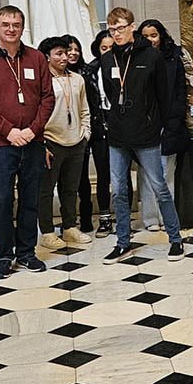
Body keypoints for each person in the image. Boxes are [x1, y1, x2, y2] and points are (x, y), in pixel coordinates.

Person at [0, 5, 55, 279]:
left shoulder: (36, 58)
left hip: (33, 141)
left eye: (16, 24)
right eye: (6, 24)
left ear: (22, 27)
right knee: (1, 199)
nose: (11, 29)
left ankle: (27, 253)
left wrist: (33, 131)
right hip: (0, 143)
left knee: (30, 198)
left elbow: (48, 98)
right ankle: (4, 255)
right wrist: (9, 131)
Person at [100, 7, 185, 264]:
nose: (117, 33)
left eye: (121, 28)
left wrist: (155, 125)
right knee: (119, 191)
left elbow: (163, 95)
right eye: (112, 29)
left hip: (147, 134)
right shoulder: (107, 59)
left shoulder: (151, 55)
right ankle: (123, 242)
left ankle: (175, 239)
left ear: (132, 27)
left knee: (159, 187)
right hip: (118, 135)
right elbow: (111, 95)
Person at [36, 35, 92, 250]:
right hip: (51, 141)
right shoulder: (42, 81)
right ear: (47, 57)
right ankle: (48, 232)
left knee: (71, 188)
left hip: (76, 141)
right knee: (46, 190)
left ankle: (69, 227)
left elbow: (84, 108)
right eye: (58, 53)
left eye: (65, 52)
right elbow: (35, 113)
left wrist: (85, 133)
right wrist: (41, 143)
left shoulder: (77, 78)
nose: (65, 56)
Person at [138, 20, 190, 232]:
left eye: (154, 35)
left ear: (161, 36)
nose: (151, 40)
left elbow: (180, 92)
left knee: (167, 172)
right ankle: (150, 218)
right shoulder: (136, 59)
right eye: (146, 36)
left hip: (169, 122)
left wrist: (175, 120)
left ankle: (166, 217)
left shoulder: (173, 58)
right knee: (147, 173)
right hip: (144, 124)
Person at [85, 30, 115, 237]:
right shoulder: (90, 71)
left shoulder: (125, 66)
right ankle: (105, 218)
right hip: (99, 125)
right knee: (103, 173)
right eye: (104, 48)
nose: (107, 53)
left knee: (120, 176)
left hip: (120, 124)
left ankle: (122, 218)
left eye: (111, 48)